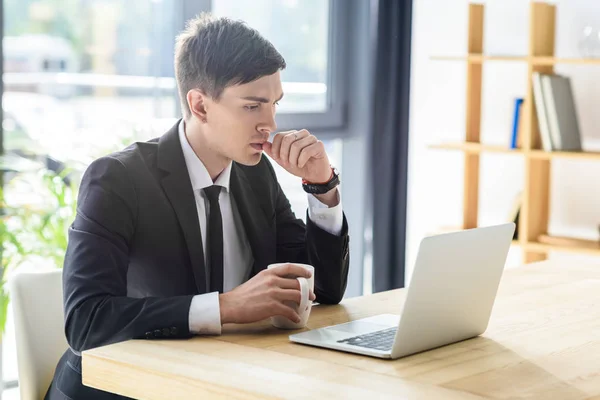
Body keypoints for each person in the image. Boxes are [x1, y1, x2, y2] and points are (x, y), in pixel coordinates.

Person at [45, 13, 350, 400]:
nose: (270, 124)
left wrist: (322, 188)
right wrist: (224, 308)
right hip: (119, 389)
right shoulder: (117, 180)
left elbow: (323, 289)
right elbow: (86, 324)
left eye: (274, 104)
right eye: (253, 106)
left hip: (218, 380)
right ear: (200, 105)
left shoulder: (255, 176)